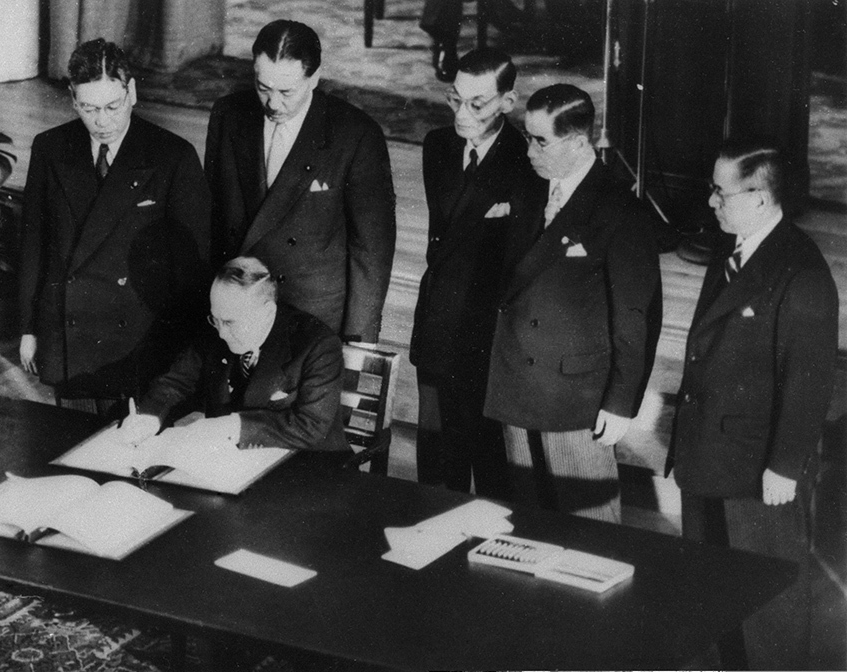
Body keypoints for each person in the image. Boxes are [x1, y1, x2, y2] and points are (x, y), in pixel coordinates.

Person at [666, 139, 838, 670]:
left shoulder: (800, 273)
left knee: (769, 600)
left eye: (721, 192)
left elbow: (809, 381)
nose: (711, 202)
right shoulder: (733, 247)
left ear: (761, 198)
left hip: (757, 467)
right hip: (707, 452)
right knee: (711, 584)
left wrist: (784, 467)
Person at [484, 83, 662, 522]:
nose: (529, 151)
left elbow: (636, 320)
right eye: (527, 136)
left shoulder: (621, 211)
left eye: (541, 141)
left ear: (580, 142)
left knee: (590, 526)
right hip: (515, 383)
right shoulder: (529, 189)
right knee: (526, 518)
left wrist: (621, 403)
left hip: (574, 397)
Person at [19, 38, 210, 416]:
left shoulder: (173, 157)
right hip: (68, 333)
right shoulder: (50, 148)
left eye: (112, 106)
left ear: (132, 92)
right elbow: (33, 244)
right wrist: (28, 328)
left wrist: (181, 350)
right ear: (73, 99)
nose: (102, 121)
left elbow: (193, 265)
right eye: (89, 108)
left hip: (139, 342)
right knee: (69, 441)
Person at [204, 19, 396, 346]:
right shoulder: (228, 114)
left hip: (310, 319)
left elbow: (371, 250)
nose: (273, 104)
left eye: (286, 91)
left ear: (314, 78)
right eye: (263, 87)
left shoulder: (355, 135)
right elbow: (212, 216)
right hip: (238, 309)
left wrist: (359, 340)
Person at [410, 47, 537, 499]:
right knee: (435, 475)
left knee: (490, 479)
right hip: (437, 329)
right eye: (455, 99)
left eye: (477, 104)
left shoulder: (527, 163)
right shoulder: (438, 147)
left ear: (507, 102)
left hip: (485, 342)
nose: (462, 114)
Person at [118, 256, 349, 459]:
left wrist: (233, 426)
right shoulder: (220, 324)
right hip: (232, 462)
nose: (220, 332)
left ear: (268, 311)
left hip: (307, 467)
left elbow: (312, 426)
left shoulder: (317, 344)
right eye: (215, 320)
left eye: (229, 322)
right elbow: (174, 382)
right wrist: (148, 416)